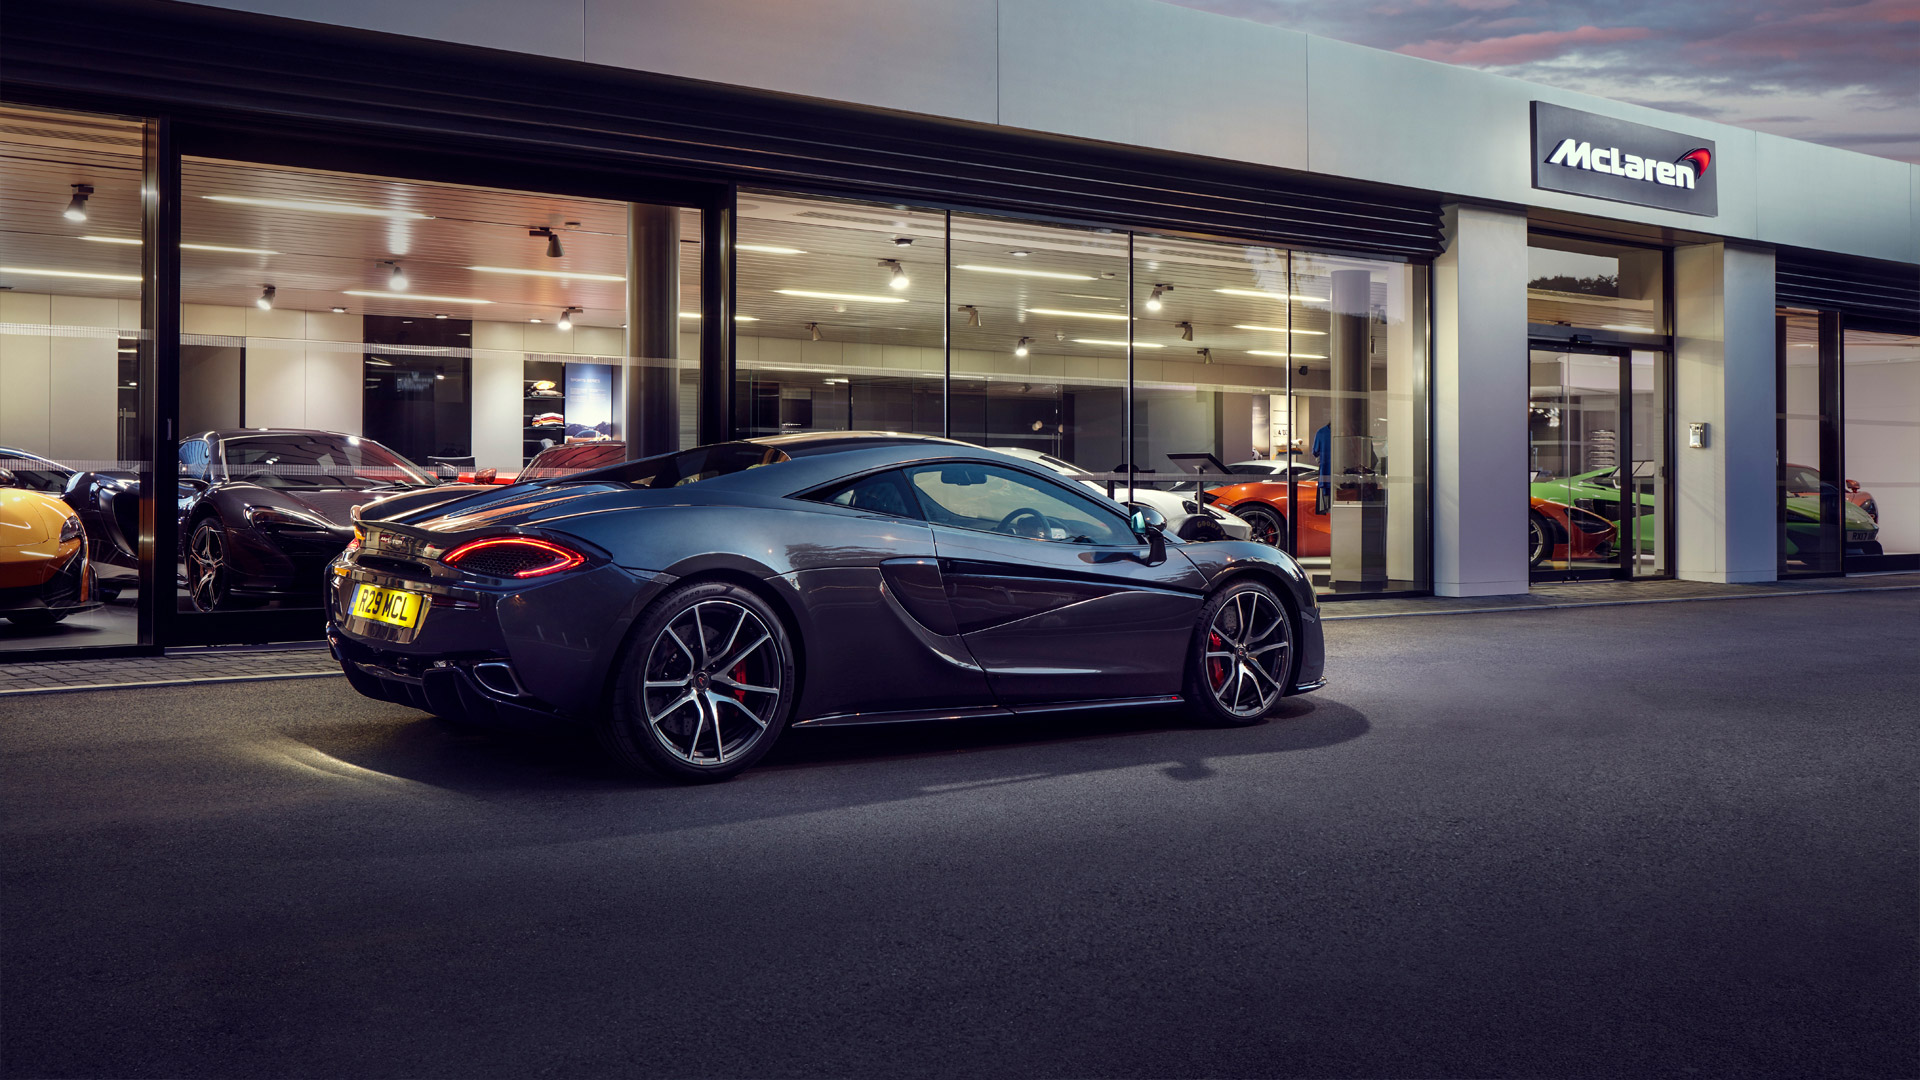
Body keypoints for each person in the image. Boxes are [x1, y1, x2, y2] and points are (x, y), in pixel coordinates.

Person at [1311, 421, 1331, 514]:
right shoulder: (1321, 433)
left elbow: (1315, 452)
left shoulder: (1321, 433)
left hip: (1326, 476)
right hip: (1337, 478)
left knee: (1327, 508)